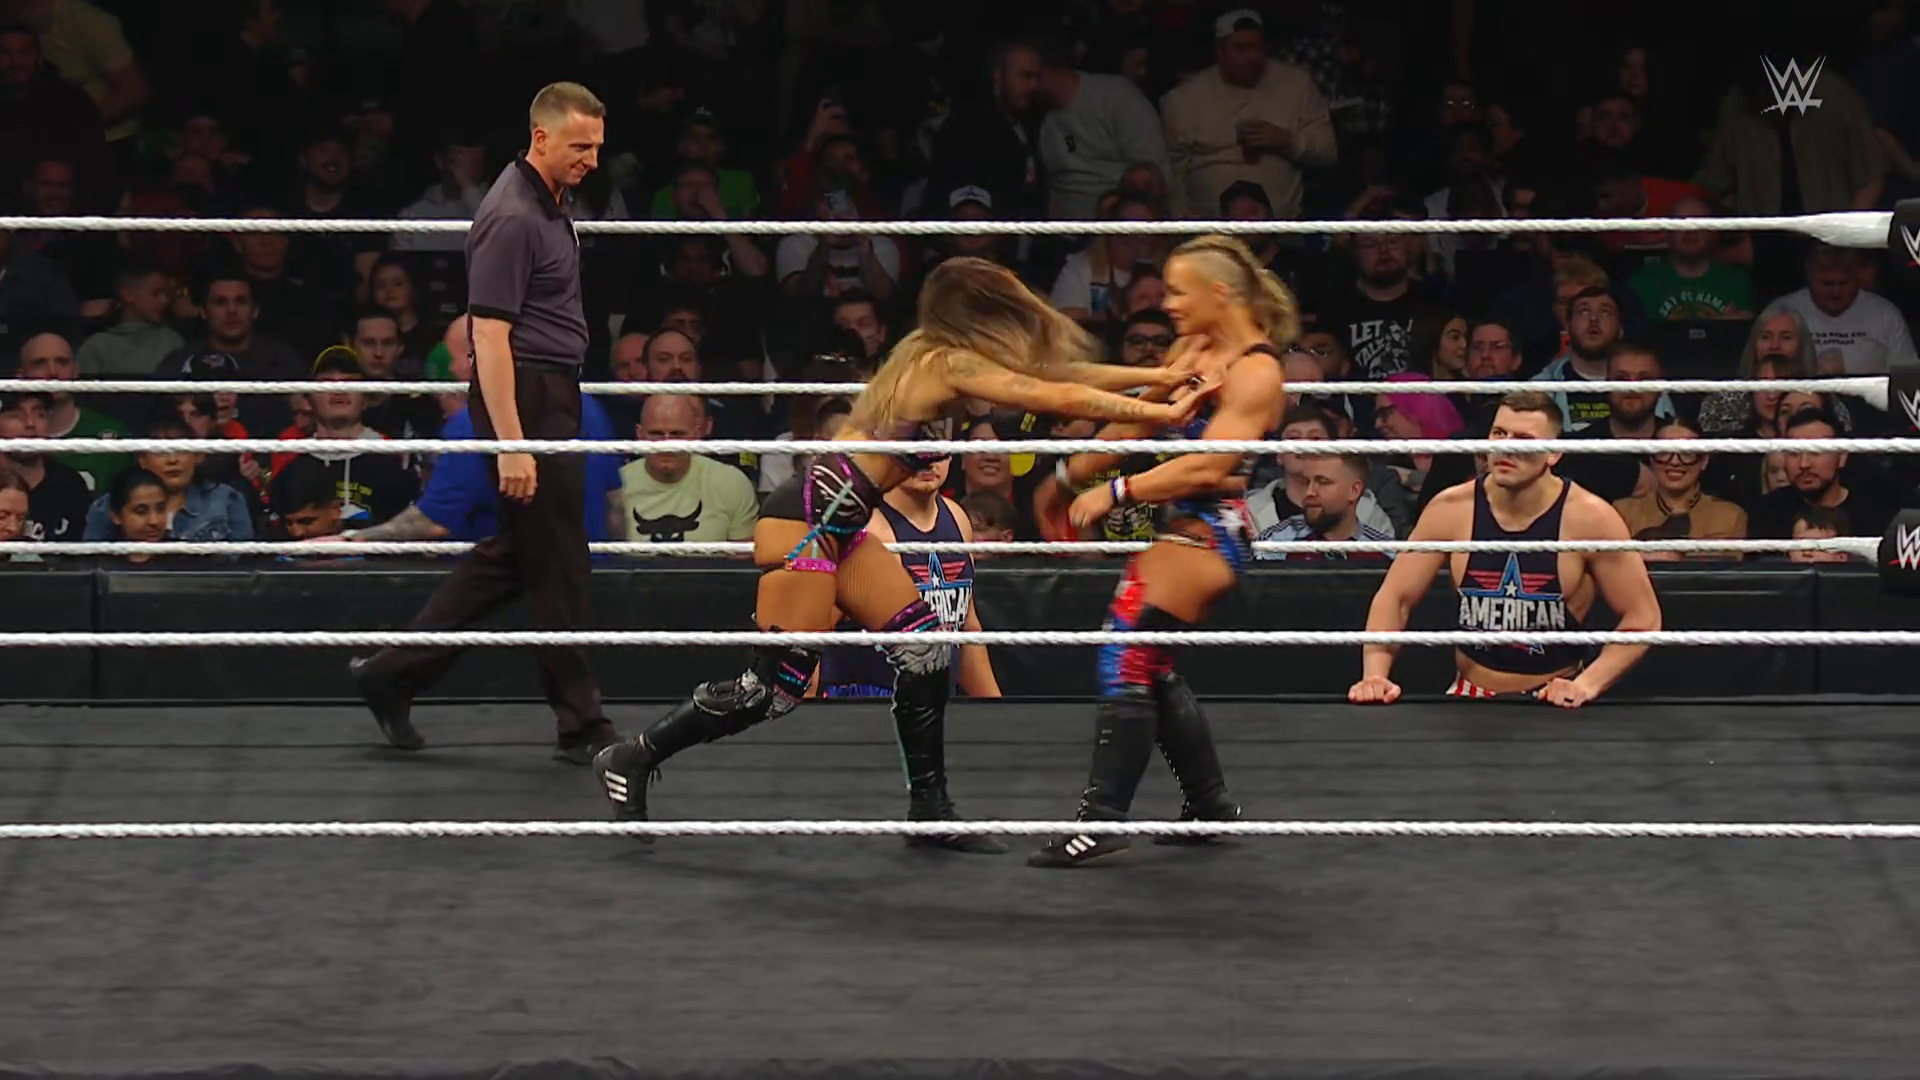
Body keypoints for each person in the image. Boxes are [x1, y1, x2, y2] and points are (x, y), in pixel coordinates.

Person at [592, 256, 1212, 851]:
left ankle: (930, 809)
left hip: (841, 526)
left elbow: (1057, 375)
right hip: (807, 523)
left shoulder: (935, 352)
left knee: (925, 650)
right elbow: (1056, 398)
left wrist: (1160, 381)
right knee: (770, 692)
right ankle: (632, 756)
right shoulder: (940, 363)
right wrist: (1159, 409)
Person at [348, 83, 620, 765]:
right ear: (541, 137)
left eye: (597, 147)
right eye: (580, 146)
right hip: (525, 393)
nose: (591, 160)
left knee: (518, 557)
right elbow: (489, 337)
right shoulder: (512, 215)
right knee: (558, 561)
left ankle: (392, 673)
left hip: (550, 388)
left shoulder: (550, 199)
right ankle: (581, 723)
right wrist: (512, 445)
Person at [1024, 234, 1292, 868]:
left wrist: (1117, 491)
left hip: (1213, 528)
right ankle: (1209, 804)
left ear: (1218, 292)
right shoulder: (1192, 350)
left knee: (1125, 650)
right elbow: (1139, 419)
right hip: (1182, 521)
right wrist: (1064, 478)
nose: (1167, 303)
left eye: (1177, 291)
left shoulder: (1257, 370)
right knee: (1150, 661)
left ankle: (1101, 819)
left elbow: (1212, 465)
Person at [1348, 392, 1663, 707]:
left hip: (1552, 701)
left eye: (1524, 439)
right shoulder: (1452, 508)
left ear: (1553, 453)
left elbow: (1643, 616)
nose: (1506, 447)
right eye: (1499, 433)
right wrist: (1375, 675)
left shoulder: (1589, 518)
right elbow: (1395, 597)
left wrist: (1586, 685)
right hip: (1469, 697)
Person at [817, 457, 1001, 699]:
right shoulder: (864, 529)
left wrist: (996, 709)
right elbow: (814, 631)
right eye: (915, 443)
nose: (928, 459)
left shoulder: (957, 518)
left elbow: (965, 628)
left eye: (937, 446)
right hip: (867, 703)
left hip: (935, 701)